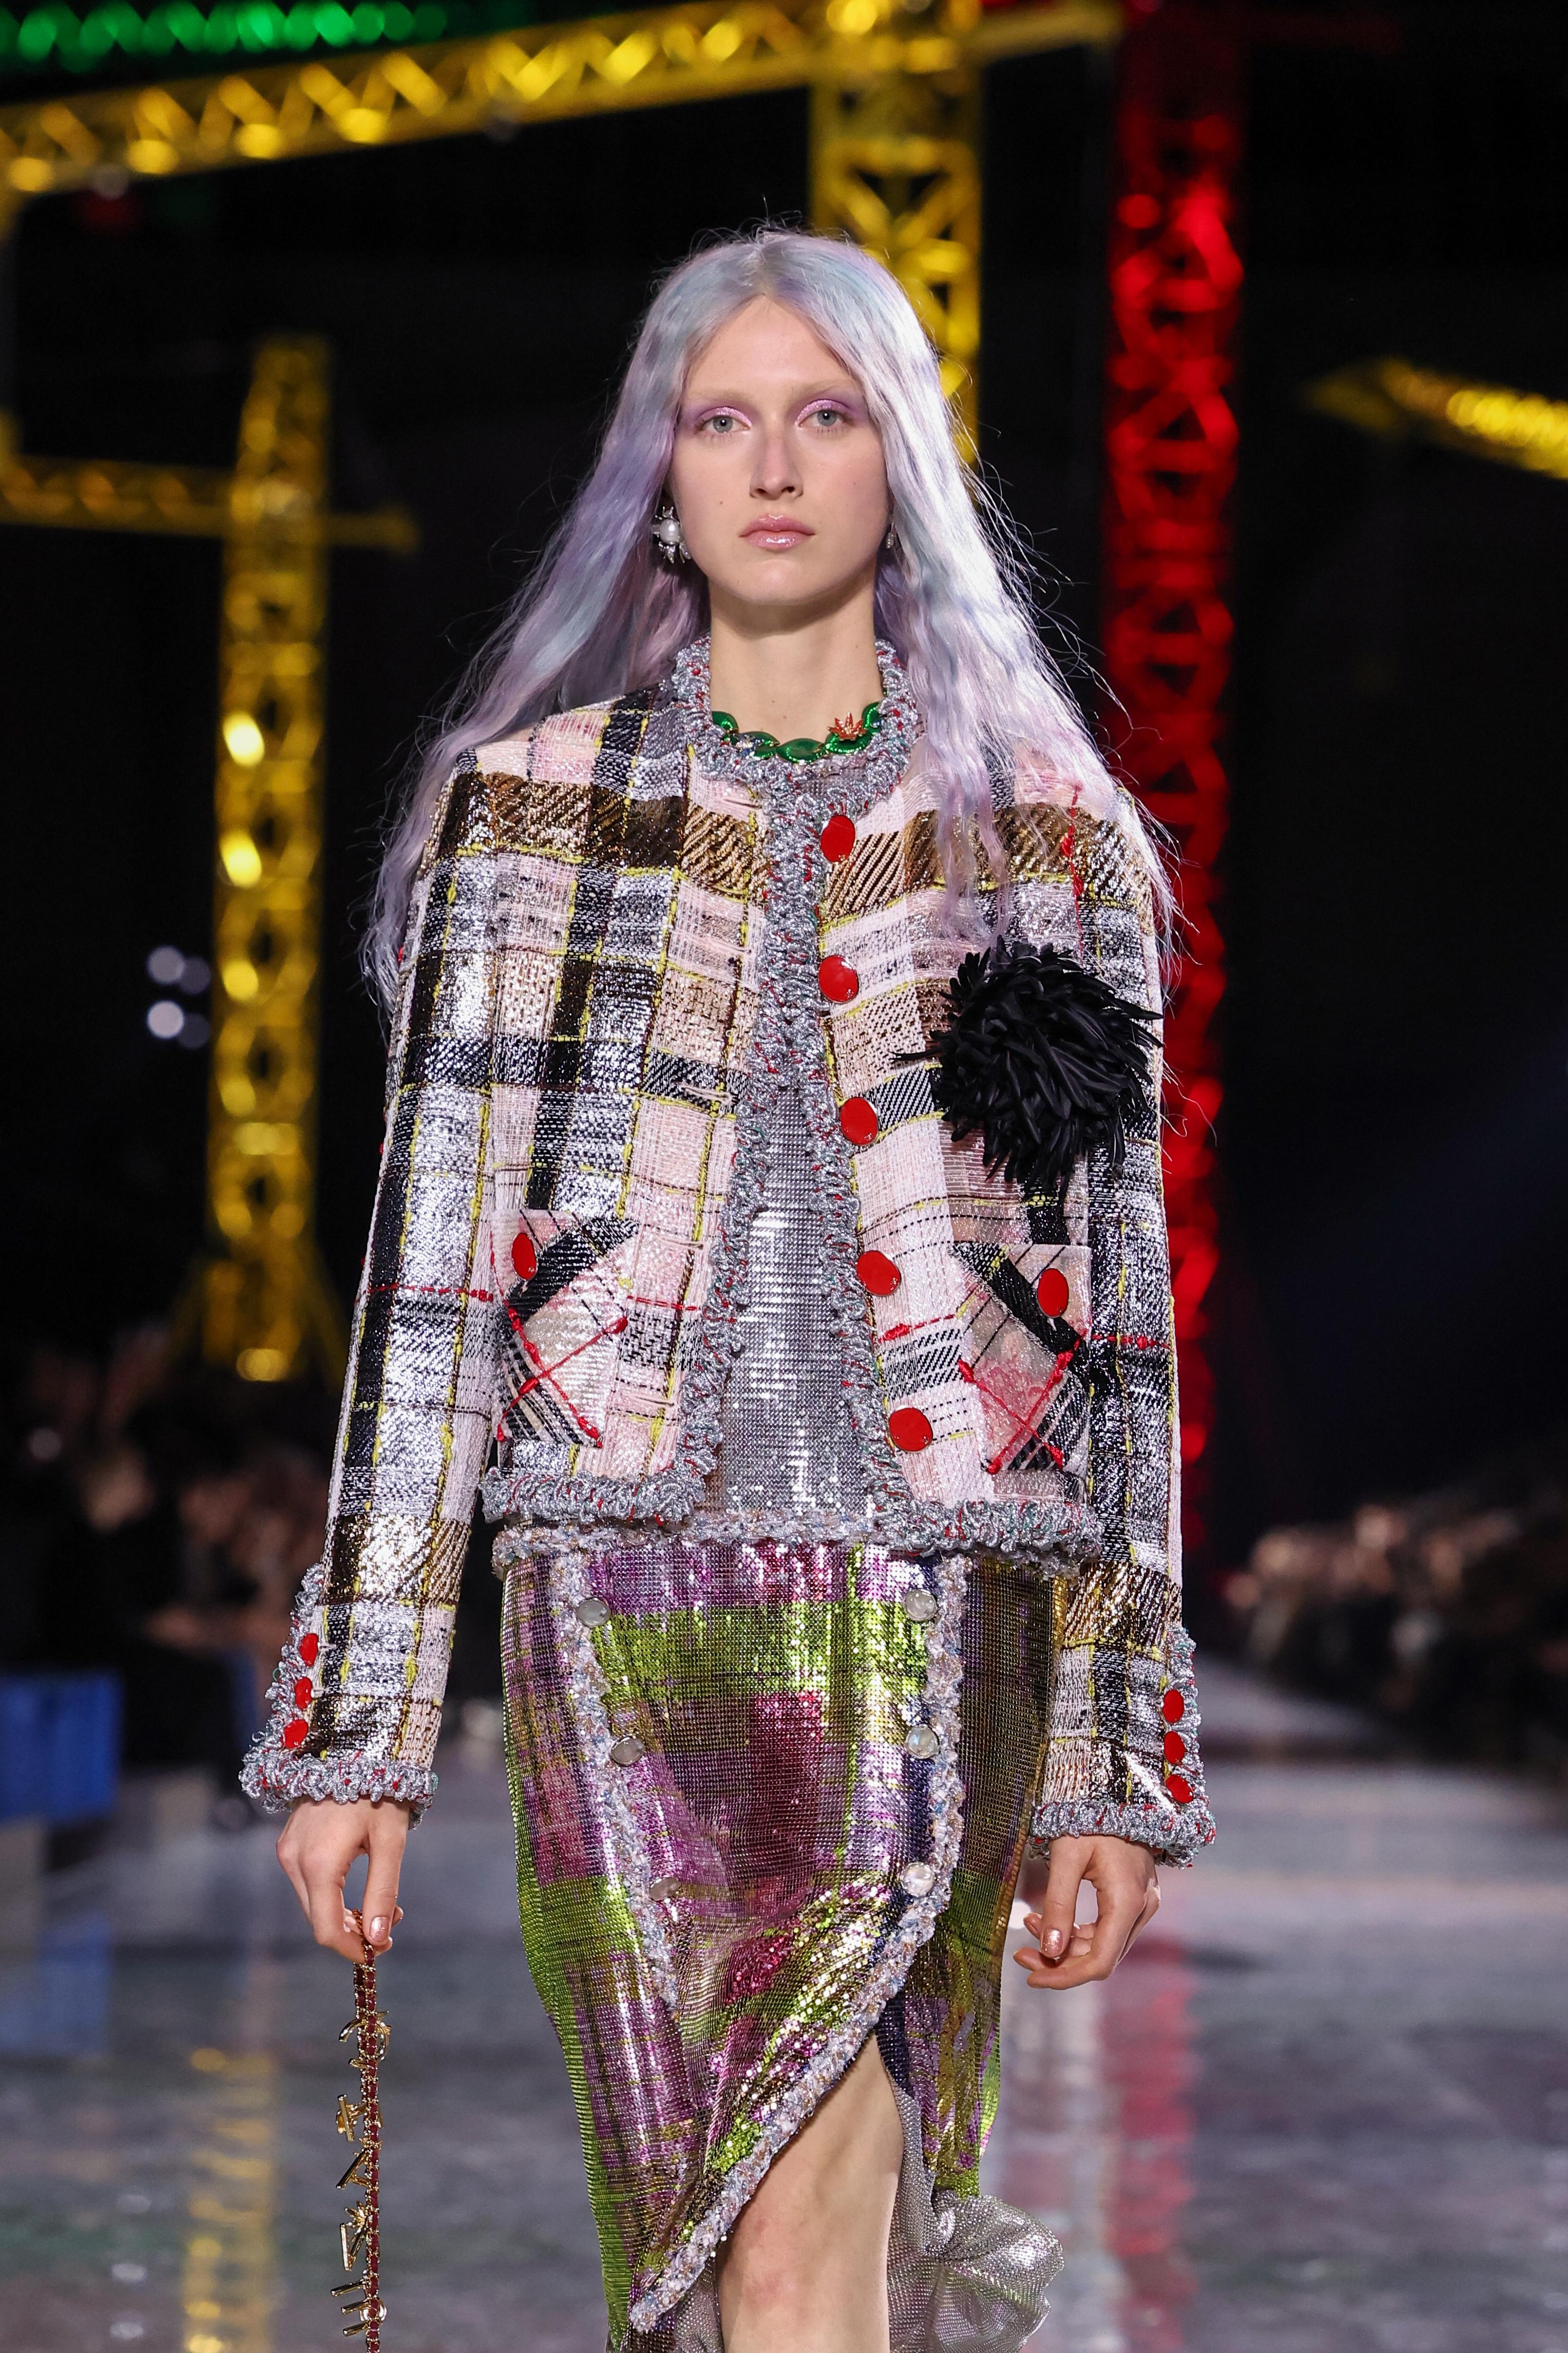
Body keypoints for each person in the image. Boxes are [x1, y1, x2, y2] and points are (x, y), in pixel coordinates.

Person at [244, 228, 1214, 2353]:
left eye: (825, 415)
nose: (772, 466)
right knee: (706, 2239)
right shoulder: (527, 818)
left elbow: (1122, 1339)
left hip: (933, 1605)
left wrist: (1109, 1753)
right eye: (722, 421)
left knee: (794, 2245)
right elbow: (426, 1296)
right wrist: (362, 1732)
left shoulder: (1042, 844)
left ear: (902, 466)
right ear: (661, 479)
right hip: (619, 1616)